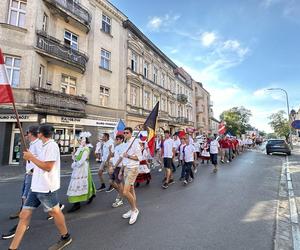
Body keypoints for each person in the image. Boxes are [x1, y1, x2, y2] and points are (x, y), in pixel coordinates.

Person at [9, 124, 72, 250]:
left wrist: (31, 157)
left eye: (38, 132)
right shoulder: (42, 145)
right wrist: (31, 160)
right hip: (36, 186)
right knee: (24, 215)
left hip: (46, 187)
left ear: (41, 134)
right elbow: (39, 162)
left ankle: (65, 236)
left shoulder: (52, 146)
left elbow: (48, 167)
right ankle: (12, 248)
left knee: (55, 212)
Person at [2, 126, 42, 239]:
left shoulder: (38, 144)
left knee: (28, 197)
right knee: (25, 196)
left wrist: (34, 170)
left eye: (27, 133)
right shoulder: (33, 144)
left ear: (31, 133)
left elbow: (40, 159)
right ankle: (23, 216)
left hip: (32, 175)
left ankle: (23, 223)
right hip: (28, 174)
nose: (26, 135)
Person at [66, 132, 96, 213]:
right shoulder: (80, 148)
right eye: (79, 140)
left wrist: (75, 164)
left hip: (82, 169)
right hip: (77, 168)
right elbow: (75, 158)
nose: (80, 141)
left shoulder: (86, 149)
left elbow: (81, 161)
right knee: (75, 184)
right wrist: (73, 155)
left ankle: (77, 203)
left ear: (85, 140)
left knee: (79, 184)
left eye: (81, 139)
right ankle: (77, 202)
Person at [118, 127, 142, 225]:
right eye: (124, 133)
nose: (125, 134)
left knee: (125, 192)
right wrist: (120, 171)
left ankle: (135, 210)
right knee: (131, 190)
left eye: (127, 132)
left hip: (133, 168)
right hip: (126, 169)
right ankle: (132, 209)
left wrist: (128, 156)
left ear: (131, 133)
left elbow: (139, 157)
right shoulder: (125, 143)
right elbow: (124, 159)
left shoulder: (135, 142)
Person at [109, 134, 125, 208]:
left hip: (119, 167)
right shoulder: (117, 146)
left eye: (118, 139)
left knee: (119, 183)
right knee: (111, 182)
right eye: (116, 139)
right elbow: (113, 156)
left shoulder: (123, 146)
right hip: (114, 166)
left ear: (121, 140)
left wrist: (114, 166)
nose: (116, 140)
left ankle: (121, 199)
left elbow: (121, 158)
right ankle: (121, 193)